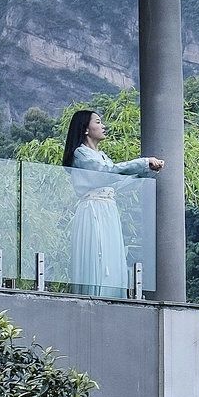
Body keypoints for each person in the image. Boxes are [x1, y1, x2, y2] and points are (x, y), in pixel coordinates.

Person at [64, 109, 162, 296]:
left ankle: (111, 298)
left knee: (111, 257)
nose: (103, 126)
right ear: (85, 129)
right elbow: (108, 172)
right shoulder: (81, 154)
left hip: (108, 209)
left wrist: (146, 171)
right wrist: (143, 162)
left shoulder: (102, 156)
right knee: (98, 257)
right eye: (98, 122)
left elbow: (118, 183)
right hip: (93, 209)